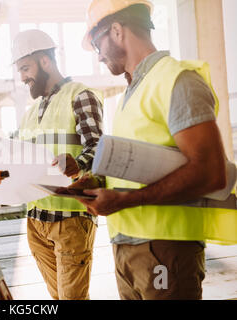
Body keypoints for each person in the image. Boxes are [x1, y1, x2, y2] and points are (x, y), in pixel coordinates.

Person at [76, 0, 236, 299]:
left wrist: (127, 200)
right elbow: (141, 166)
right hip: (127, 248)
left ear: (117, 31)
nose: (98, 56)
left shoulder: (176, 80)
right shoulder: (132, 93)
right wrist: (100, 184)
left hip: (165, 248)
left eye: (98, 44)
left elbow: (210, 173)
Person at [11, 29, 104, 300]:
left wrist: (79, 163)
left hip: (71, 220)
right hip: (36, 221)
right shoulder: (30, 113)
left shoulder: (80, 95)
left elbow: (99, 147)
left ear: (45, 61)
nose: (22, 77)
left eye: (25, 68)